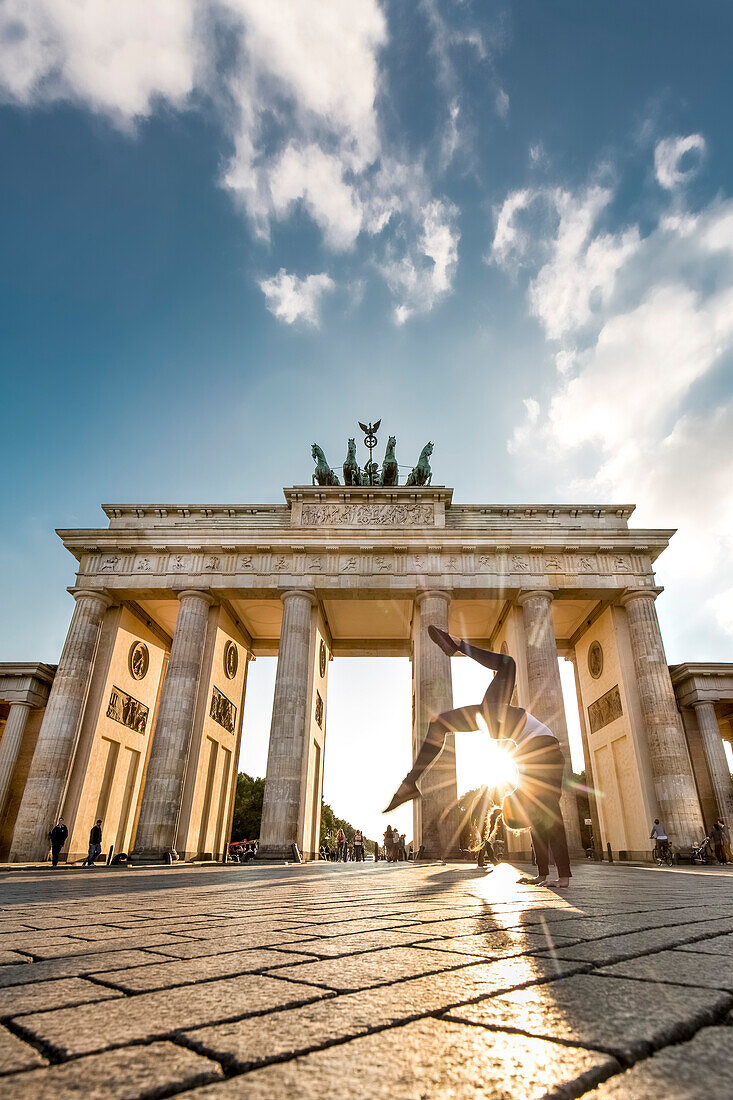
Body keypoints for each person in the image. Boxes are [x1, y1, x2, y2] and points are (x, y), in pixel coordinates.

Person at [385, 627, 572, 888]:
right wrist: (550, 877)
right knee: (505, 667)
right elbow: (548, 824)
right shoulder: (537, 789)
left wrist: (549, 876)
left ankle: (411, 782)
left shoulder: (533, 789)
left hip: (513, 731)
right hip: (521, 736)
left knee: (442, 721)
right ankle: (459, 645)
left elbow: (544, 824)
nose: (507, 797)